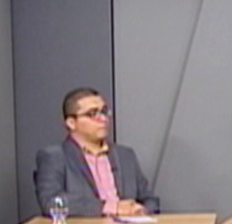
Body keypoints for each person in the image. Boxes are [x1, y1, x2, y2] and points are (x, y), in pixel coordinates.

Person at [35, 87, 159, 217]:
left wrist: (141, 210)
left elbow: (150, 200)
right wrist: (111, 207)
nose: (103, 119)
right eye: (92, 114)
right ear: (71, 123)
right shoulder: (54, 157)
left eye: (104, 112)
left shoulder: (125, 156)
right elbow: (51, 202)